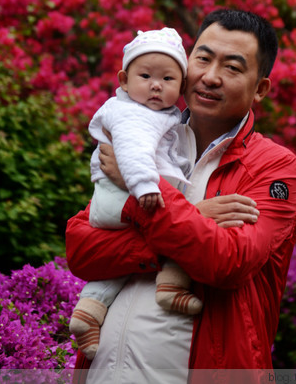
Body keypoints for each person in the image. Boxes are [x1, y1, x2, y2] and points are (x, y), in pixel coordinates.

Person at [66, 8, 296, 380]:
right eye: (203, 59)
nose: (210, 77)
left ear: (260, 89)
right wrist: (196, 218)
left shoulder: (274, 168)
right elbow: (81, 250)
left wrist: (142, 187)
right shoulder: (145, 137)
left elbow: (227, 262)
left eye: (233, 68)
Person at [69, 27, 203, 360]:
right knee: (188, 223)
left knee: (128, 254)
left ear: (182, 86)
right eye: (146, 76)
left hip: (117, 196)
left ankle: (89, 310)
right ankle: (170, 285)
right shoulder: (132, 113)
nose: (156, 85)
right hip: (125, 194)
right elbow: (131, 151)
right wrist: (143, 185)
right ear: (124, 80)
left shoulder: (153, 113)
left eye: (169, 79)